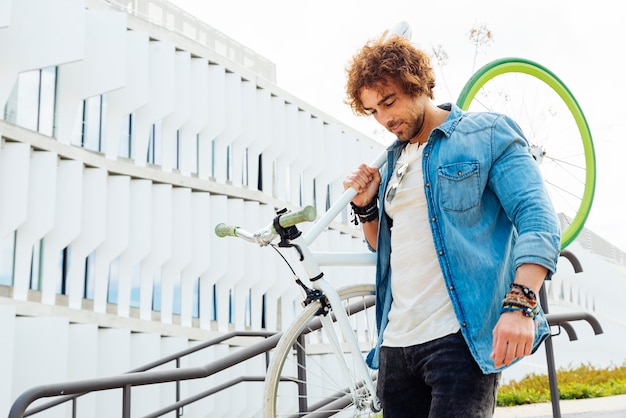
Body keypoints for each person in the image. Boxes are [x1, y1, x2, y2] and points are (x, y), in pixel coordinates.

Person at [342, 32, 561, 417]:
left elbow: (537, 216)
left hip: (458, 341)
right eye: (373, 110)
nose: (384, 118)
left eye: (389, 101)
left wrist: (520, 304)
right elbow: (387, 250)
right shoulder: (392, 163)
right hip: (396, 346)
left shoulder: (487, 134)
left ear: (418, 84)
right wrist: (367, 208)